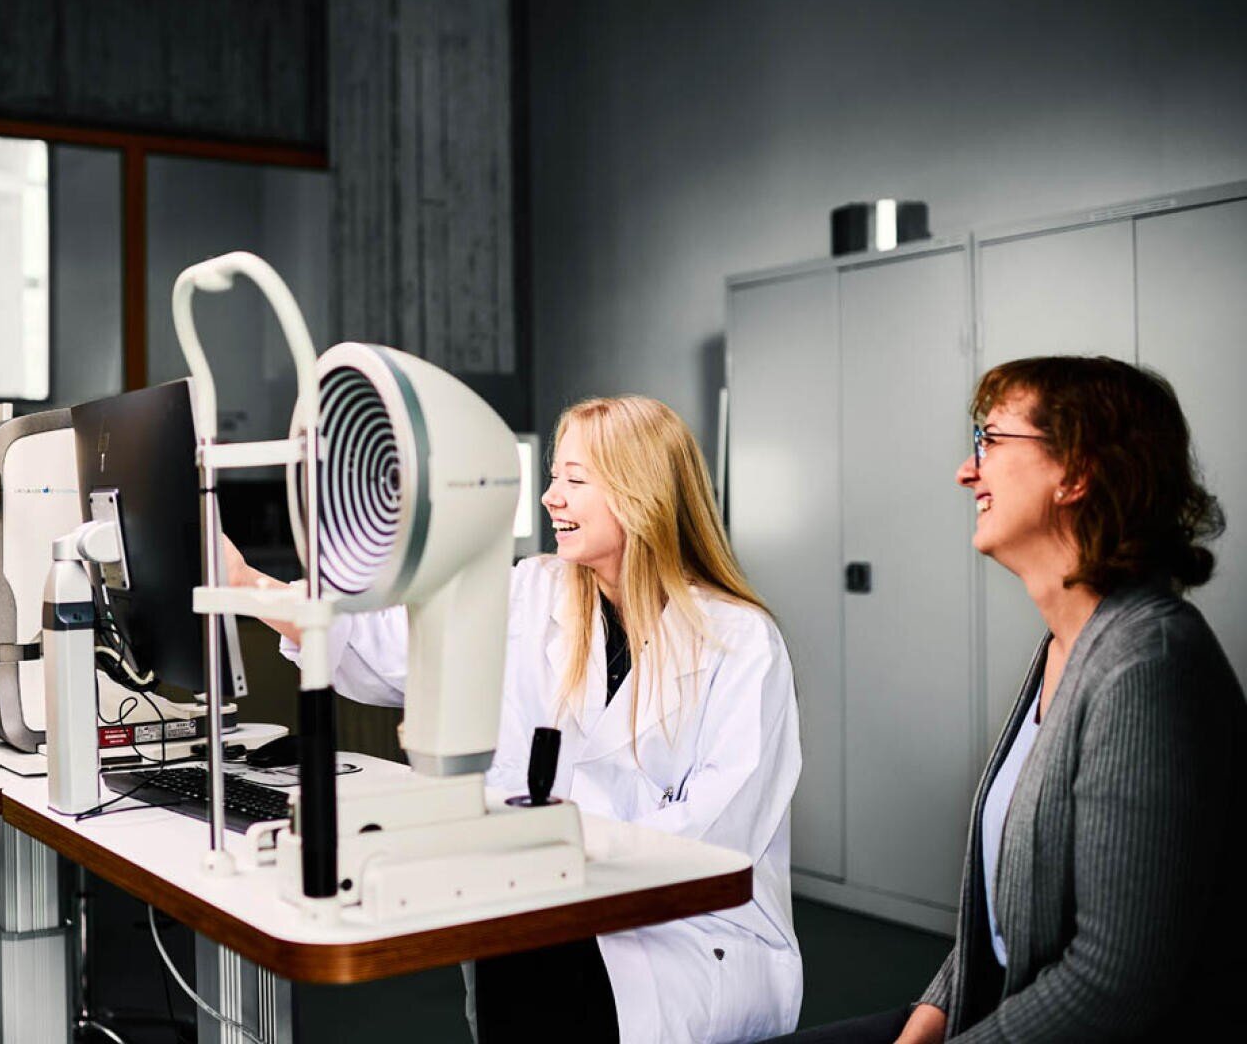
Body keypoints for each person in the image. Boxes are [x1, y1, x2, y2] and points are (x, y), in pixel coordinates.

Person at [226, 395, 803, 1043]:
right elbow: (381, 643)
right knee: (520, 959)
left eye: (575, 480)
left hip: (680, 941)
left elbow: (715, 838)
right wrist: (245, 584)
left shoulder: (740, 642)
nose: (551, 498)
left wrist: (546, 851)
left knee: (546, 966)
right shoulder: (534, 591)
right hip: (543, 911)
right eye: (553, 477)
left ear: (643, 496)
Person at [776, 355, 1245, 1043]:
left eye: (991, 440)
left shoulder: (1147, 663)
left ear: (1077, 472)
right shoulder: (1064, 644)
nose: (967, 472)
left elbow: (1113, 985)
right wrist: (925, 1024)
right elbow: (1002, 925)